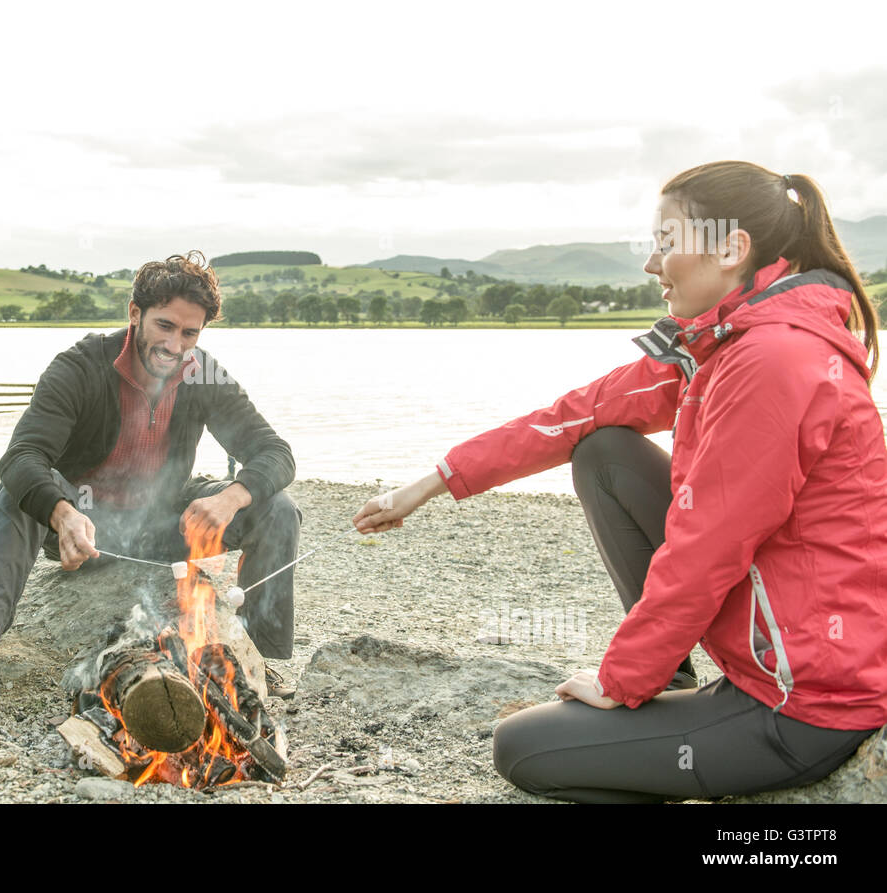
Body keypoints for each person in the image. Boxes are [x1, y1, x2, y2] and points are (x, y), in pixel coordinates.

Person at [353, 161, 887, 802]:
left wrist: (620, 678)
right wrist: (428, 484)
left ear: (731, 249)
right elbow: (575, 415)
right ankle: (674, 688)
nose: (651, 264)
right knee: (604, 453)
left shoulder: (771, 362)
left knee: (524, 750)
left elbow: (707, 548)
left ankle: (668, 700)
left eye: (666, 242)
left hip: (802, 701)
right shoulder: (723, 343)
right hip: (777, 648)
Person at [0, 252, 299, 710]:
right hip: (85, 528)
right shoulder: (80, 366)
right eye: (164, 326)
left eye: (189, 333)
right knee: (16, 491)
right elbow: (22, 456)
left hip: (164, 521)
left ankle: (252, 655)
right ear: (134, 314)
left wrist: (232, 497)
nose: (175, 346)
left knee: (277, 507)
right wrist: (61, 513)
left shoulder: (204, 374)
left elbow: (275, 452)